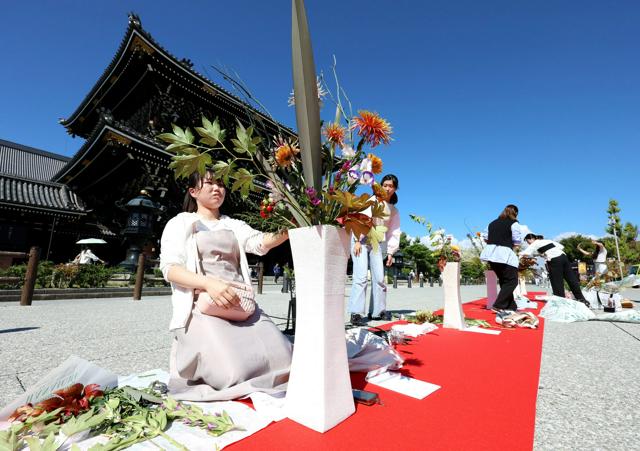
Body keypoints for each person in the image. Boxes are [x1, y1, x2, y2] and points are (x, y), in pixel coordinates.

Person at [159, 170, 292, 401]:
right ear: (193, 191)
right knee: (234, 372)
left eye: (220, 183)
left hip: (240, 302)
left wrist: (290, 227)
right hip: (203, 306)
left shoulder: (233, 224)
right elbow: (170, 269)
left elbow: (258, 242)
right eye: (209, 183)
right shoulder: (180, 222)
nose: (216, 188)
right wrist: (209, 283)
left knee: (285, 358)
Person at [348, 174, 401, 325]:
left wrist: (390, 252)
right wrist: (357, 240)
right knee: (361, 276)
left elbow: (394, 232)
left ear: (395, 188)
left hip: (377, 242)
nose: (387, 188)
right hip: (361, 240)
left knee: (379, 278)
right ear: (380, 186)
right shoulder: (372, 201)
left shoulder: (394, 211)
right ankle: (356, 312)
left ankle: (378, 311)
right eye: (385, 185)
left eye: (391, 186)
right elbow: (360, 219)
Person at [520, 234, 590, 307]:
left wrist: (519, 255)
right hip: (563, 257)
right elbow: (561, 247)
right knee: (571, 279)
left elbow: (525, 253)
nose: (528, 243)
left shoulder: (535, 243)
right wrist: (542, 253)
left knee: (557, 282)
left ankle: (560, 303)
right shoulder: (548, 241)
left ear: (531, 238)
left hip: (554, 260)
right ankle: (582, 300)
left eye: (527, 241)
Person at [480, 204, 522, 312]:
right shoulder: (514, 223)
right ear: (515, 213)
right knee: (512, 281)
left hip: (490, 254)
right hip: (504, 254)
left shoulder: (492, 223)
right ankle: (498, 305)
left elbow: (484, 237)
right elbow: (517, 240)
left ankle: (510, 306)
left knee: (504, 280)